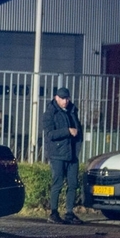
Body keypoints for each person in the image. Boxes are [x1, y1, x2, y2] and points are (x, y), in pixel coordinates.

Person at [42, 86, 84, 224]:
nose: (65, 101)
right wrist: (67, 131)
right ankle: (53, 213)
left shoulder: (72, 110)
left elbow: (78, 128)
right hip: (57, 154)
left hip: (72, 153)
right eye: (62, 98)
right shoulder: (50, 113)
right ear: (56, 98)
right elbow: (49, 134)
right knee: (57, 184)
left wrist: (77, 139)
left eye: (67, 98)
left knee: (73, 184)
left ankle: (69, 213)